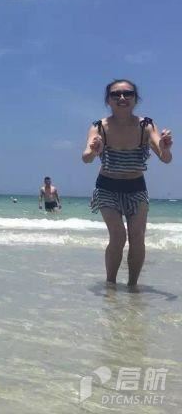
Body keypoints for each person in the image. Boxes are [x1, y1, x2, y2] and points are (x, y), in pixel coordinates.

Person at [82, 79, 173, 288]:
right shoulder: (99, 127)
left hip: (136, 187)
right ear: (108, 100)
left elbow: (166, 158)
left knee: (137, 237)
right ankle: (111, 285)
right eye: (115, 94)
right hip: (107, 187)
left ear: (135, 98)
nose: (122, 97)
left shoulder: (146, 125)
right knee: (118, 235)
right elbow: (85, 157)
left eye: (127, 93)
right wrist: (94, 151)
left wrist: (165, 147)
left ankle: (133, 286)